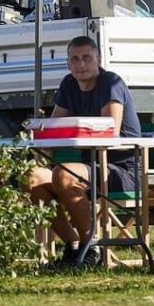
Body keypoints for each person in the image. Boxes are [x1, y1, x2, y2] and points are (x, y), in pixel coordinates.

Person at [27, 36, 141, 267]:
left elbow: (111, 130)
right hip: (89, 169)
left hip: (122, 171)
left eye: (86, 58)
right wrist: (39, 142)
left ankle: (93, 246)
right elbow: (54, 127)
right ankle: (74, 246)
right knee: (31, 177)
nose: (81, 64)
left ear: (98, 59)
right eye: (75, 59)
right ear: (68, 64)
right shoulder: (69, 84)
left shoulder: (111, 83)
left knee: (64, 174)